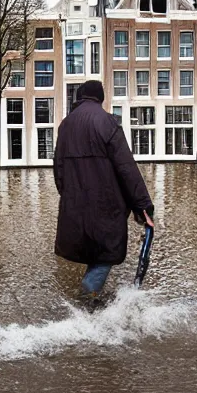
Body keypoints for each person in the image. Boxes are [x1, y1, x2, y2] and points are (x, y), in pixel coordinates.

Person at [53, 80, 154, 305]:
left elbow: (58, 171)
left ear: (79, 98)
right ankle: (86, 302)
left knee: (94, 250)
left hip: (75, 208)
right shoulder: (107, 121)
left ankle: (89, 301)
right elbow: (126, 168)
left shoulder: (65, 125)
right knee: (104, 254)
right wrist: (143, 206)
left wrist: (70, 197)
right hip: (105, 207)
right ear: (101, 98)